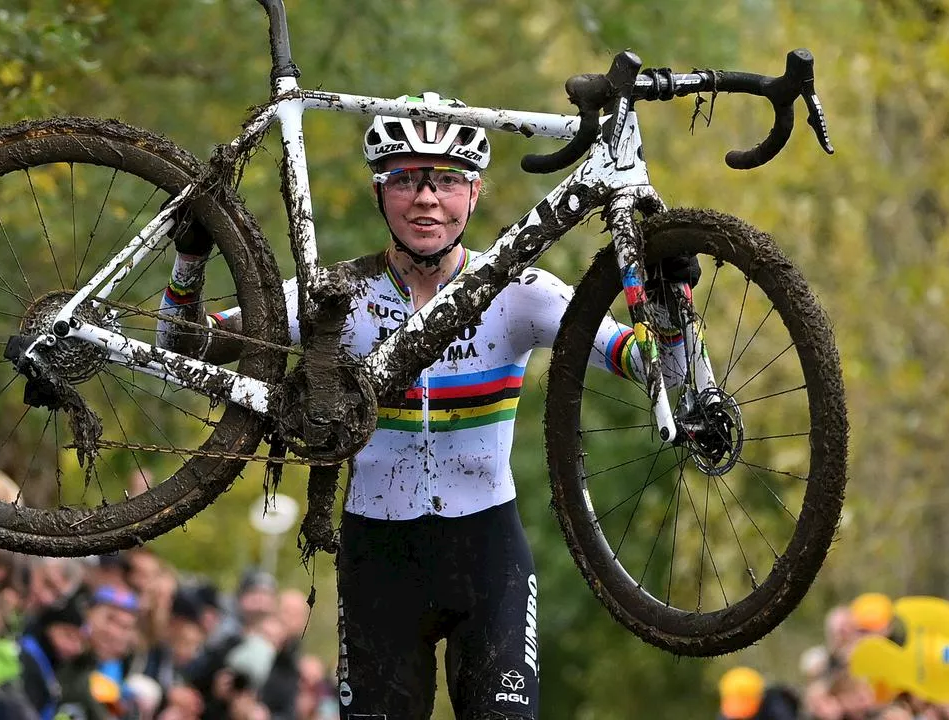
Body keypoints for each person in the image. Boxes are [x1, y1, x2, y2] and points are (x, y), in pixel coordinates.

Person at [156, 92, 697, 719]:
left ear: (475, 194)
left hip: (486, 554)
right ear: (379, 192)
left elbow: (651, 367)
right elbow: (183, 345)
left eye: (446, 180)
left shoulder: (521, 294)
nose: (426, 198)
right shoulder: (335, 296)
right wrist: (190, 256)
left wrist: (670, 302)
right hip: (378, 559)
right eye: (406, 178)